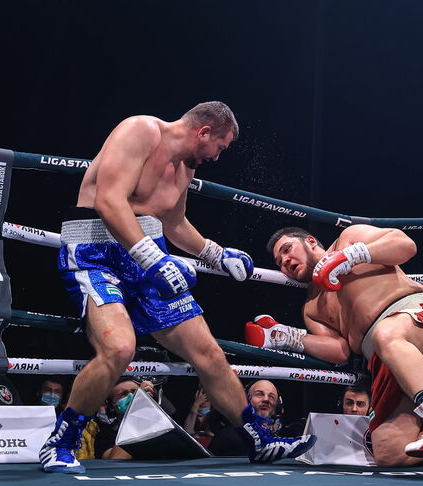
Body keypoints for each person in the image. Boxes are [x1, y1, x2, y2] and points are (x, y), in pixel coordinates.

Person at [39, 102, 315, 474]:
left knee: (210, 353)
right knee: (119, 348)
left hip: (147, 255)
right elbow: (108, 201)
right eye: (220, 146)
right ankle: (61, 442)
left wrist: (215, 253)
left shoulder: (185, 167)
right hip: (96, 254)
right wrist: (152, 258)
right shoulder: (140, 131)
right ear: (204, 132)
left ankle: (260, 442)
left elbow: (174, 222)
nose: (217, 156)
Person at [254, 225, 423, 467]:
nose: (285, 261)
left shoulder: (348, 238)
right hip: (385, 360)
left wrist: (349, 256)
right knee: (390, 453)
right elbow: (339, 351)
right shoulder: (311, 308)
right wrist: (289, 338)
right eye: (279, 262)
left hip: (417, 319)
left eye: (287, 249)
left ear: (310, 242)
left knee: (384, 334)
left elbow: (405, 245)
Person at [208, 380, 287, 456]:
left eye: (271, 397)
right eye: (259, 394)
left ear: (278, 406)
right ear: (246, 400)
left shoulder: (288, 436)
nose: (266, 399)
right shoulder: (226, 436)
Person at [94, 377, 155, 459]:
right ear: (112, 406)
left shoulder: (157, 423)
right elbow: (117, 459)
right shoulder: (105, 435)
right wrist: (135, 407)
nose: (133, 396)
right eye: (123, 394)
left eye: (135, 392)